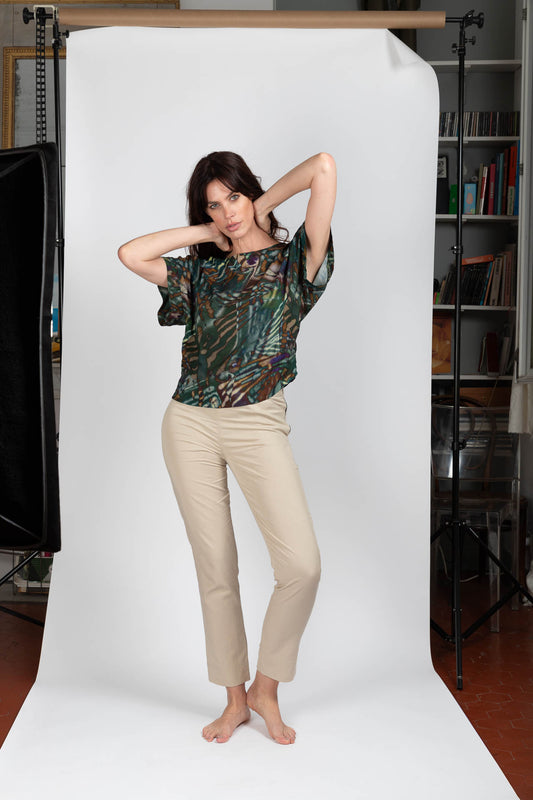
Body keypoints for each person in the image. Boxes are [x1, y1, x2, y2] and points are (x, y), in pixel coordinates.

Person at [118, 151, 336, 745]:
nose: (226, 212)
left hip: (257, 420)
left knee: (302, 566)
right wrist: (206, 232)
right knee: (215, 568)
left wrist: (256, 210)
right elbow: (131, 254)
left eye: (232, 197)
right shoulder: (202, 272)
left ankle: (266, 687)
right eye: (213, 204)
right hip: (188, 421)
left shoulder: (295, 262)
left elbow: (322, 167)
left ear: (251, 192)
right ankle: (235, 699)